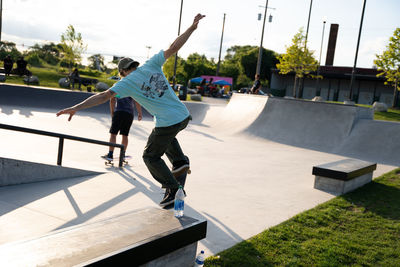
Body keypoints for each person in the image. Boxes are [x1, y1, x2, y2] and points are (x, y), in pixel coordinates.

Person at [57, 13, 205, 207]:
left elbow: (103, 96)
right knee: (164, 134)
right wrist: (191, 28)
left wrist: (76, 107)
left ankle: (174, 189)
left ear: (122, 72)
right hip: (183, 116)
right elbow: (174, 47)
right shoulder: (152, 63)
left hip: (168, 121)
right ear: (134, 65)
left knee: (150, 156)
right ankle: (180, 162)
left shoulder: (125, 82)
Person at [102, 95, 143, 161]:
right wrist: (140, 113)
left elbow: (112, 100)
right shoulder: (131, 87)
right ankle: (122, 155)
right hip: (129, 114)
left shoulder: (117, 86)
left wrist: (112, 112)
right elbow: (137, 101)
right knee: (125, 135)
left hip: (118, 112)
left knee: (113, 134)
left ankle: (110, 154)